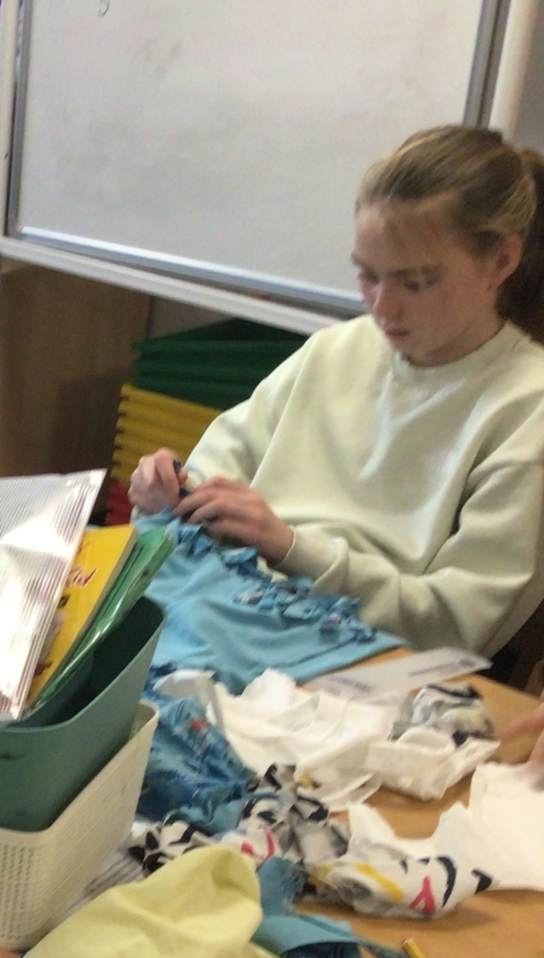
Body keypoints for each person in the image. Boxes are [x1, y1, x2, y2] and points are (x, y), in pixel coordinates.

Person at [130, 125, 544, 656]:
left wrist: (291, 548)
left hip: (360, 655)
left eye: (415, 282)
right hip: (233, 609)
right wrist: (171, 493)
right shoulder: (335, 350)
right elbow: (215, 473)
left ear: (501, 261)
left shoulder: (525, 405)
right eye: (367, 276)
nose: (382, 307)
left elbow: (458, 625)